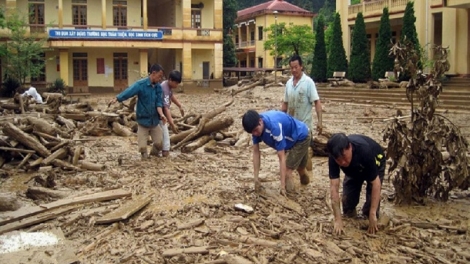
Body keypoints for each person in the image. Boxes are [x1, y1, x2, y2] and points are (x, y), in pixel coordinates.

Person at [327, 133, 385, 235]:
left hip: (374, 162)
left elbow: (376, 184)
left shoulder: (364, 151)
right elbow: (334, 187)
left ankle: (370, 215)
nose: (343, 162)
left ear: (349, 147)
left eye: (344, 157)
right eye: (339, 160)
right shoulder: (333, 157)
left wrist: (372, 213)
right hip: (353, 170)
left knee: (370, 211)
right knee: (348, 205)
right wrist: (338, 219)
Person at [242, 109, 310, 195]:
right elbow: (256, 152)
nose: (255, 134)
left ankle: (291, 197)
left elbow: (281, 157)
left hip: (301, 137)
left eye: (256, 130)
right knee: (300, 168)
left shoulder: (274, 127)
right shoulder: (255, 128)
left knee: (287, 171)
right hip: (289, 140)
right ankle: (305, 180)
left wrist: (282, 187)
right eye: (252, 132)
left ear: (260, 121)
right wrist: (256, 178)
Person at [109, 64, 168, 160]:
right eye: (159, 76)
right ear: (153, 73)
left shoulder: (158, 88)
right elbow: (129, 91)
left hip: (154, 121)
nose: (160, 79)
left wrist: (161, 115)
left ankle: (154, 154)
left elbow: (159, 104)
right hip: (143, 121)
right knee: (142, 148)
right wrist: (117, 98)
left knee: (159, 144)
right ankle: (144, 156)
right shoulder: (141, 85)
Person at [281, 55, 322, 173]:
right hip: (291, 125)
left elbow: (317, 102)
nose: (294, 70)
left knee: (302, 152)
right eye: (292, 68)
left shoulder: (308, 82)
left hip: (305, 125)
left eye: (296, 67)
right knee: (295, 152)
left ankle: (304, 173)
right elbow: (285, 104)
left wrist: (320, 122)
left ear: (301, 66)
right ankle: (303, 171)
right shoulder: (289, 83)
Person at [159, 70, 184, 157]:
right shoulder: (164, 89)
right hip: (159, 115)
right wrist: (172, 124)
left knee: (160, 137)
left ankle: (156, 152)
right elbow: (166, 108)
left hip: (161, 114)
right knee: (166, 138)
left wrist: (179, 105)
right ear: (170, 80)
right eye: (176, 83)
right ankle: (165, 154)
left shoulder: (167, 85)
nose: (177, 85)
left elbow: (171, 96)